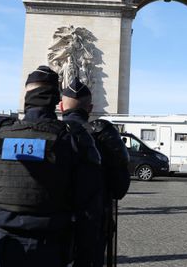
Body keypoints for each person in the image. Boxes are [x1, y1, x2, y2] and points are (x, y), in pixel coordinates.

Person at [0, 66, 102, 267]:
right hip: (52, 250)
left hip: (1, 248)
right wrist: (84, 258)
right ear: (55, 100)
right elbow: (90, 211)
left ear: (26, 96)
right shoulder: (74, 139)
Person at [60, 78, 130, 267]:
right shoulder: (103, 135)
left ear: (60, 106)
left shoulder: (45, 135)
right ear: (90, 108)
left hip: (52, 226)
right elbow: (120, 188)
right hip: (94, 225)